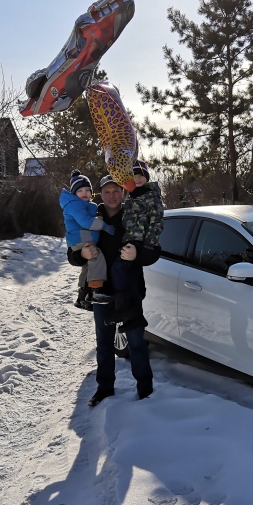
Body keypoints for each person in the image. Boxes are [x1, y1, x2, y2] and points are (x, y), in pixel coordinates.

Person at [67, 174, 159, 407]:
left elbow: (154, 250)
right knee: (105, 344)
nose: (112, 195)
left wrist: (138, 254)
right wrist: (81, 254)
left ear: (123, 192)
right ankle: (105, 389)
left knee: (136, 342)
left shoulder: (133, 214)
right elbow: (72, 253)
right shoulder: (90, 215)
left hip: (130, 291)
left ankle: (145, 390)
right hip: (102, 292)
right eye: (107, 191)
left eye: (116, 190)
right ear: (100, 194)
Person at [107, 159, 164, 328]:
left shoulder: (150, 195)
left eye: (141, 175)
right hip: (130, 240)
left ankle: (123, 309)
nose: (138, 179)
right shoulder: (130, 197)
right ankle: (136, 317)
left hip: (140, 242)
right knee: (131, 278)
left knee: (118, 268)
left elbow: (157, 221)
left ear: (147, 177)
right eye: (134, 176)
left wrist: (148, 245)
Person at [59, 170, 115, 309]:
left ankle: (82, 297)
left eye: (87, 190)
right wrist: (104, 225)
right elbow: (85, 222)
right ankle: (95, 290)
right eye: (80, 190)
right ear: (74, 193)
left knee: (88, 267)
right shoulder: (74, 204)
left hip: (83, 240)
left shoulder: (83, 205)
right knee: (96, 256)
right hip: (82, 240)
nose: (84, 192)